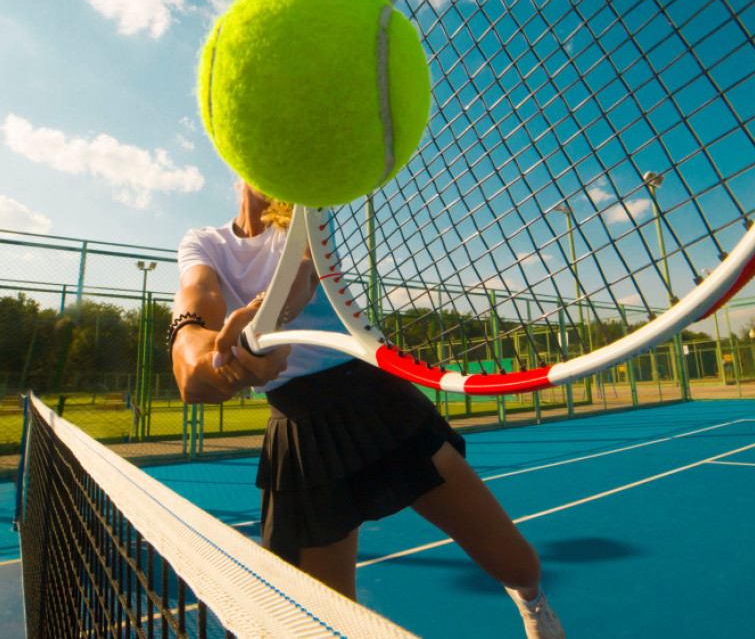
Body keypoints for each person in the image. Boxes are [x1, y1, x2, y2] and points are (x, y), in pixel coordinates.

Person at [170, 181, 565, 639]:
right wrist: (203, 359)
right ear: (236, 161)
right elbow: (195, 301)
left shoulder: (309, 209)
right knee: (325, 619)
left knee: (519, 565)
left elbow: (300, 278)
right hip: (298, 427)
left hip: (372, 400)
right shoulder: (202, 242)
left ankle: (532, 602)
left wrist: (265, 321)